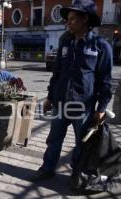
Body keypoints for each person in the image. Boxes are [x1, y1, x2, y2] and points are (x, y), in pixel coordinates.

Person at [31, 0, 113, 184]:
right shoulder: (66, 43)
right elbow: (57, 73)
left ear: (85, 19)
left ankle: (77, 174)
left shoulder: (100, 46)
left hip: (83, 106)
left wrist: (102, 108)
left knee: (81, 144)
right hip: (60, 102)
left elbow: (105, 81)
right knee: (54, 139)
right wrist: (50, 97)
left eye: (73, 19)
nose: (68, 23)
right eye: (68, 19)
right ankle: (47, 169)